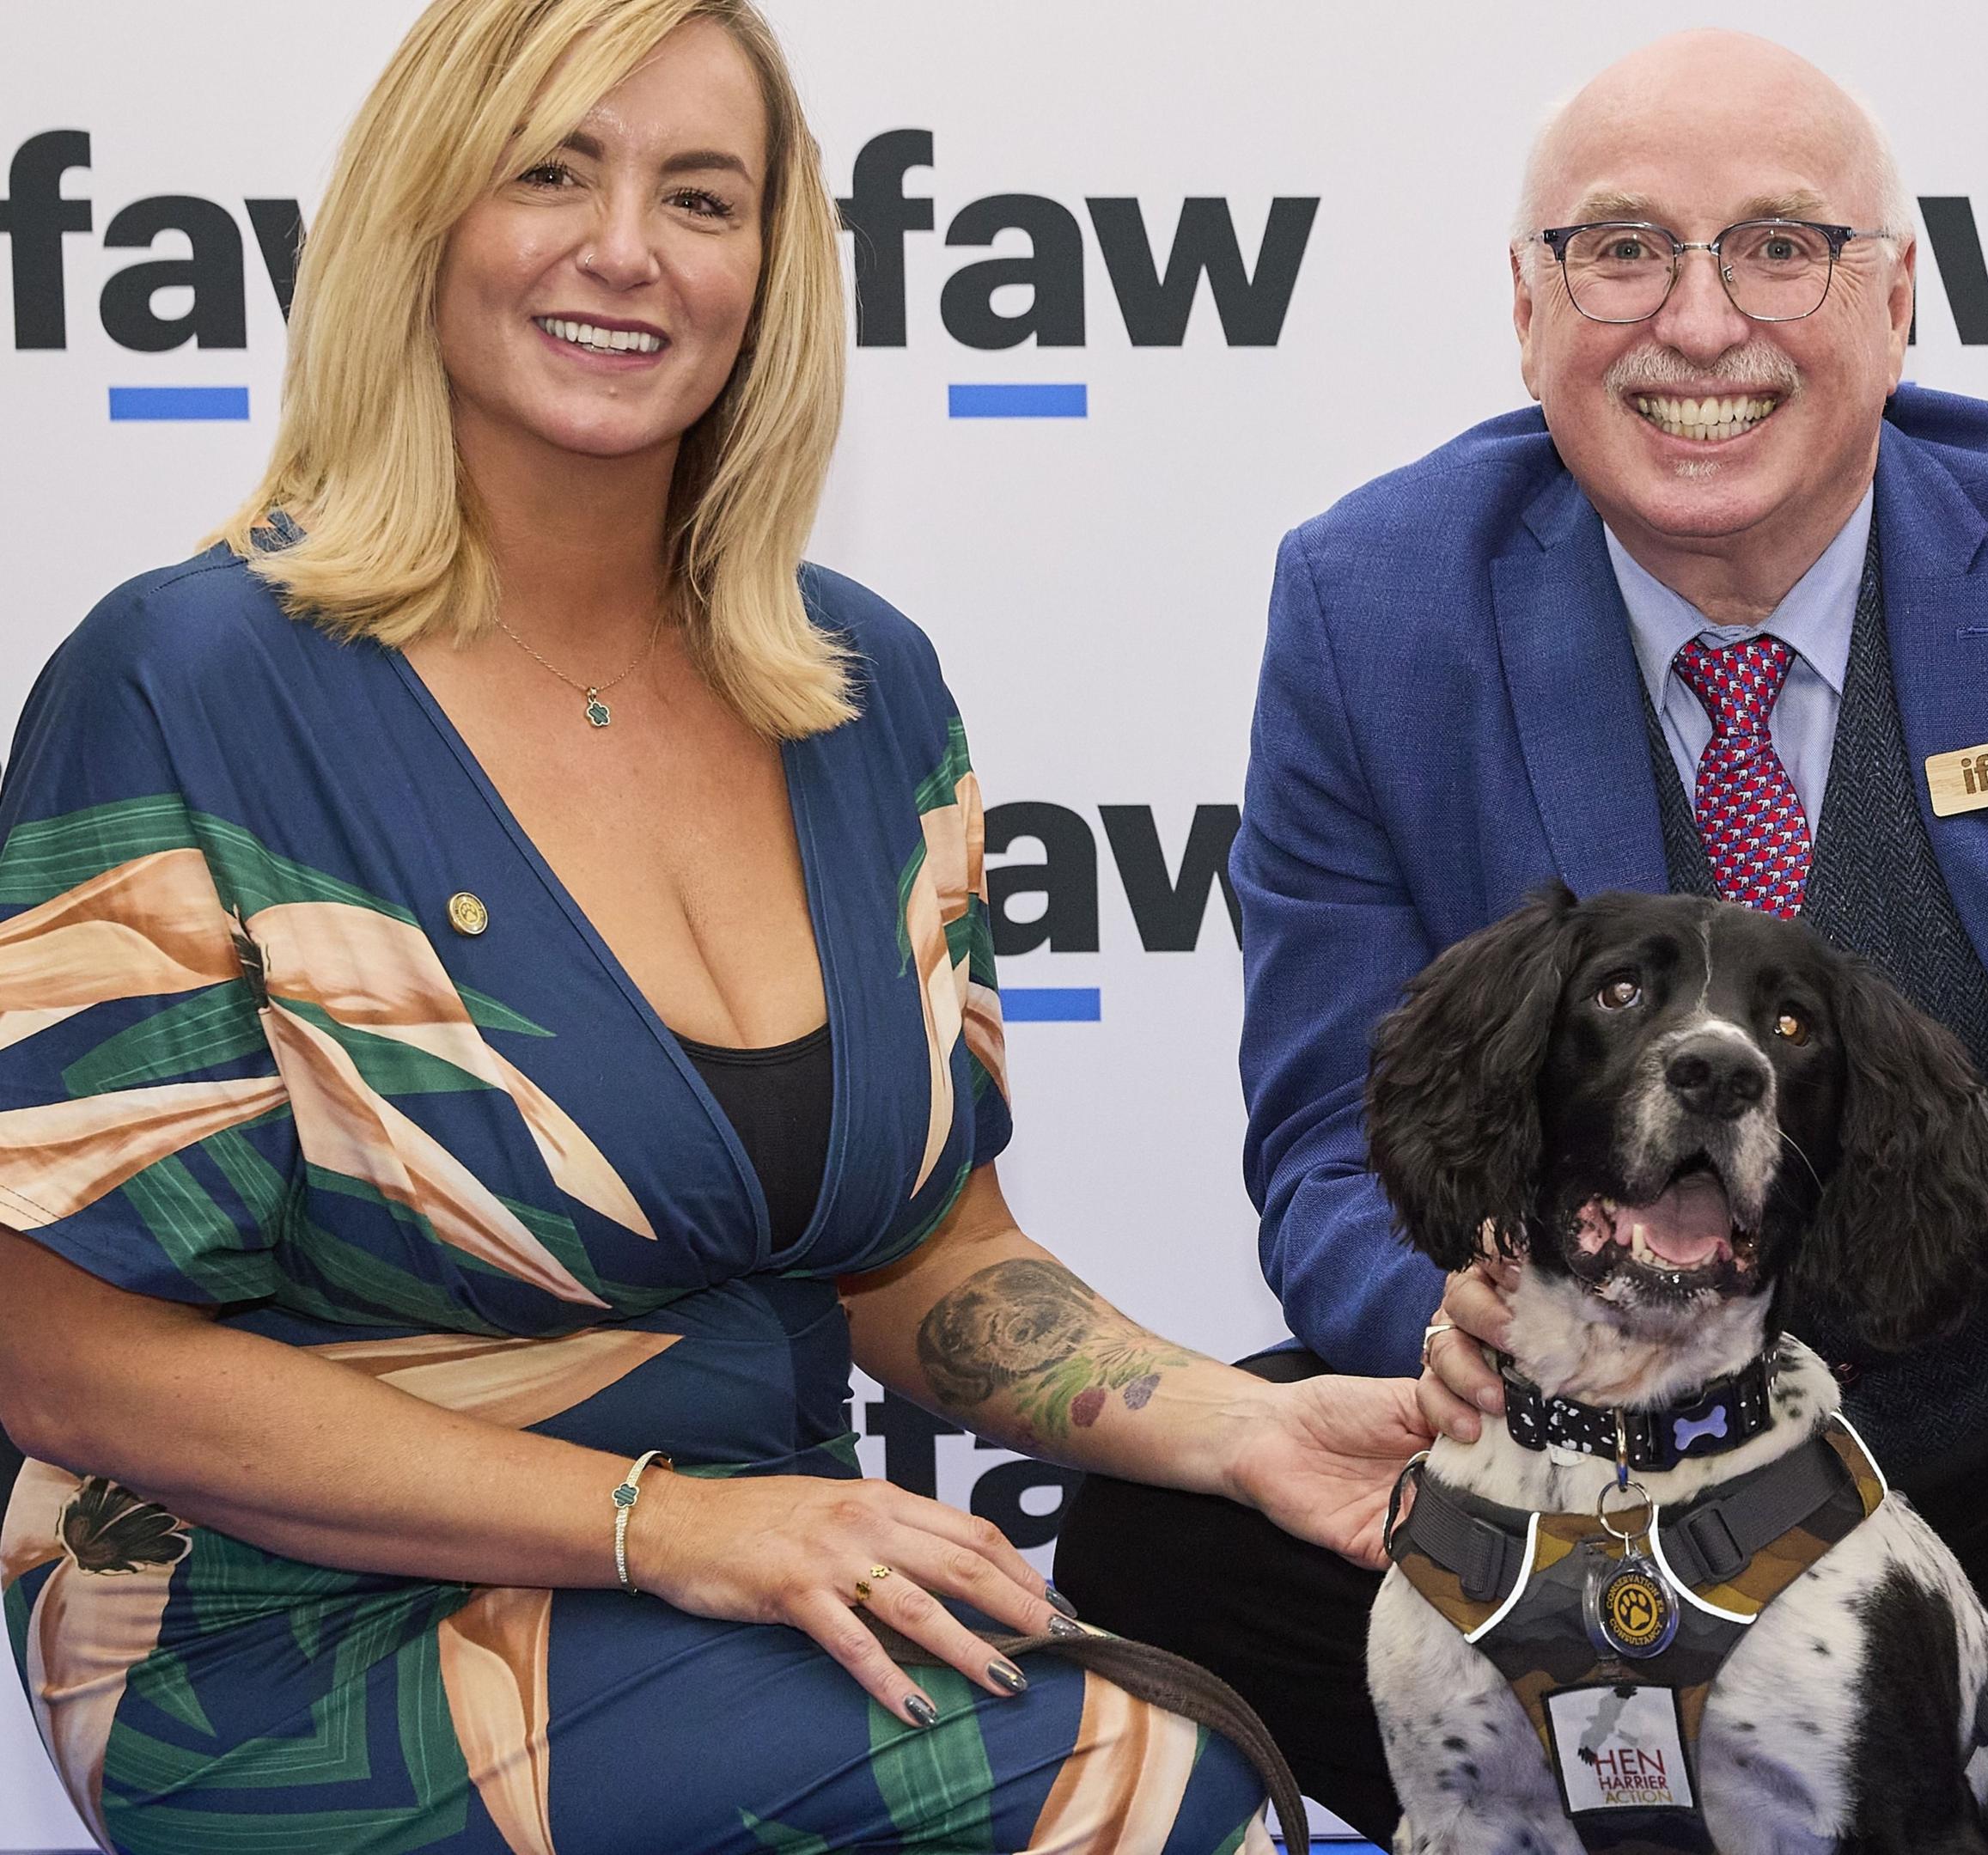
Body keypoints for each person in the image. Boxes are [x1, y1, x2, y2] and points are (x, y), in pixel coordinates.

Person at [1056, 30, 1988, 1853]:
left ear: (1898, 298)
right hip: (1600, 1451)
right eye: (1619, 251)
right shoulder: (1373, 608)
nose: (1698, 324)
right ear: (1526, 313)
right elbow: (1320, 1133)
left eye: (1779, 247)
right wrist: (1436, 1328)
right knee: (1160, 1529)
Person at [0, 3, 1427, 1847]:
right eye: (552, 172)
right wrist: (666, 1525)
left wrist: (1237, 1426)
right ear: (419, 217)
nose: (626, 251)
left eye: (702, 195)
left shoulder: (858, 694)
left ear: (773, 263)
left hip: (776, 1573)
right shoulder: (184, 681)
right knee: (1146, 1788)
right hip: (283, 1629)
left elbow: (924, 1263)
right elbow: (55, 1352)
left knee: (1209, 1747)